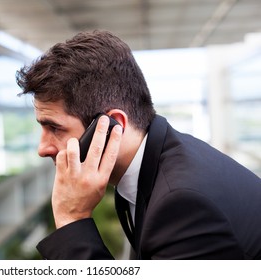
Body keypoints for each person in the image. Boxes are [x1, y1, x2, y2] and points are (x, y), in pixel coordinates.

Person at [15, 30, 261, 259]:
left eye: (55, 127)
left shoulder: (181, 203)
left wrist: (72, 220)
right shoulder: (157, 162)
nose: (43, 148)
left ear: (113, 126)